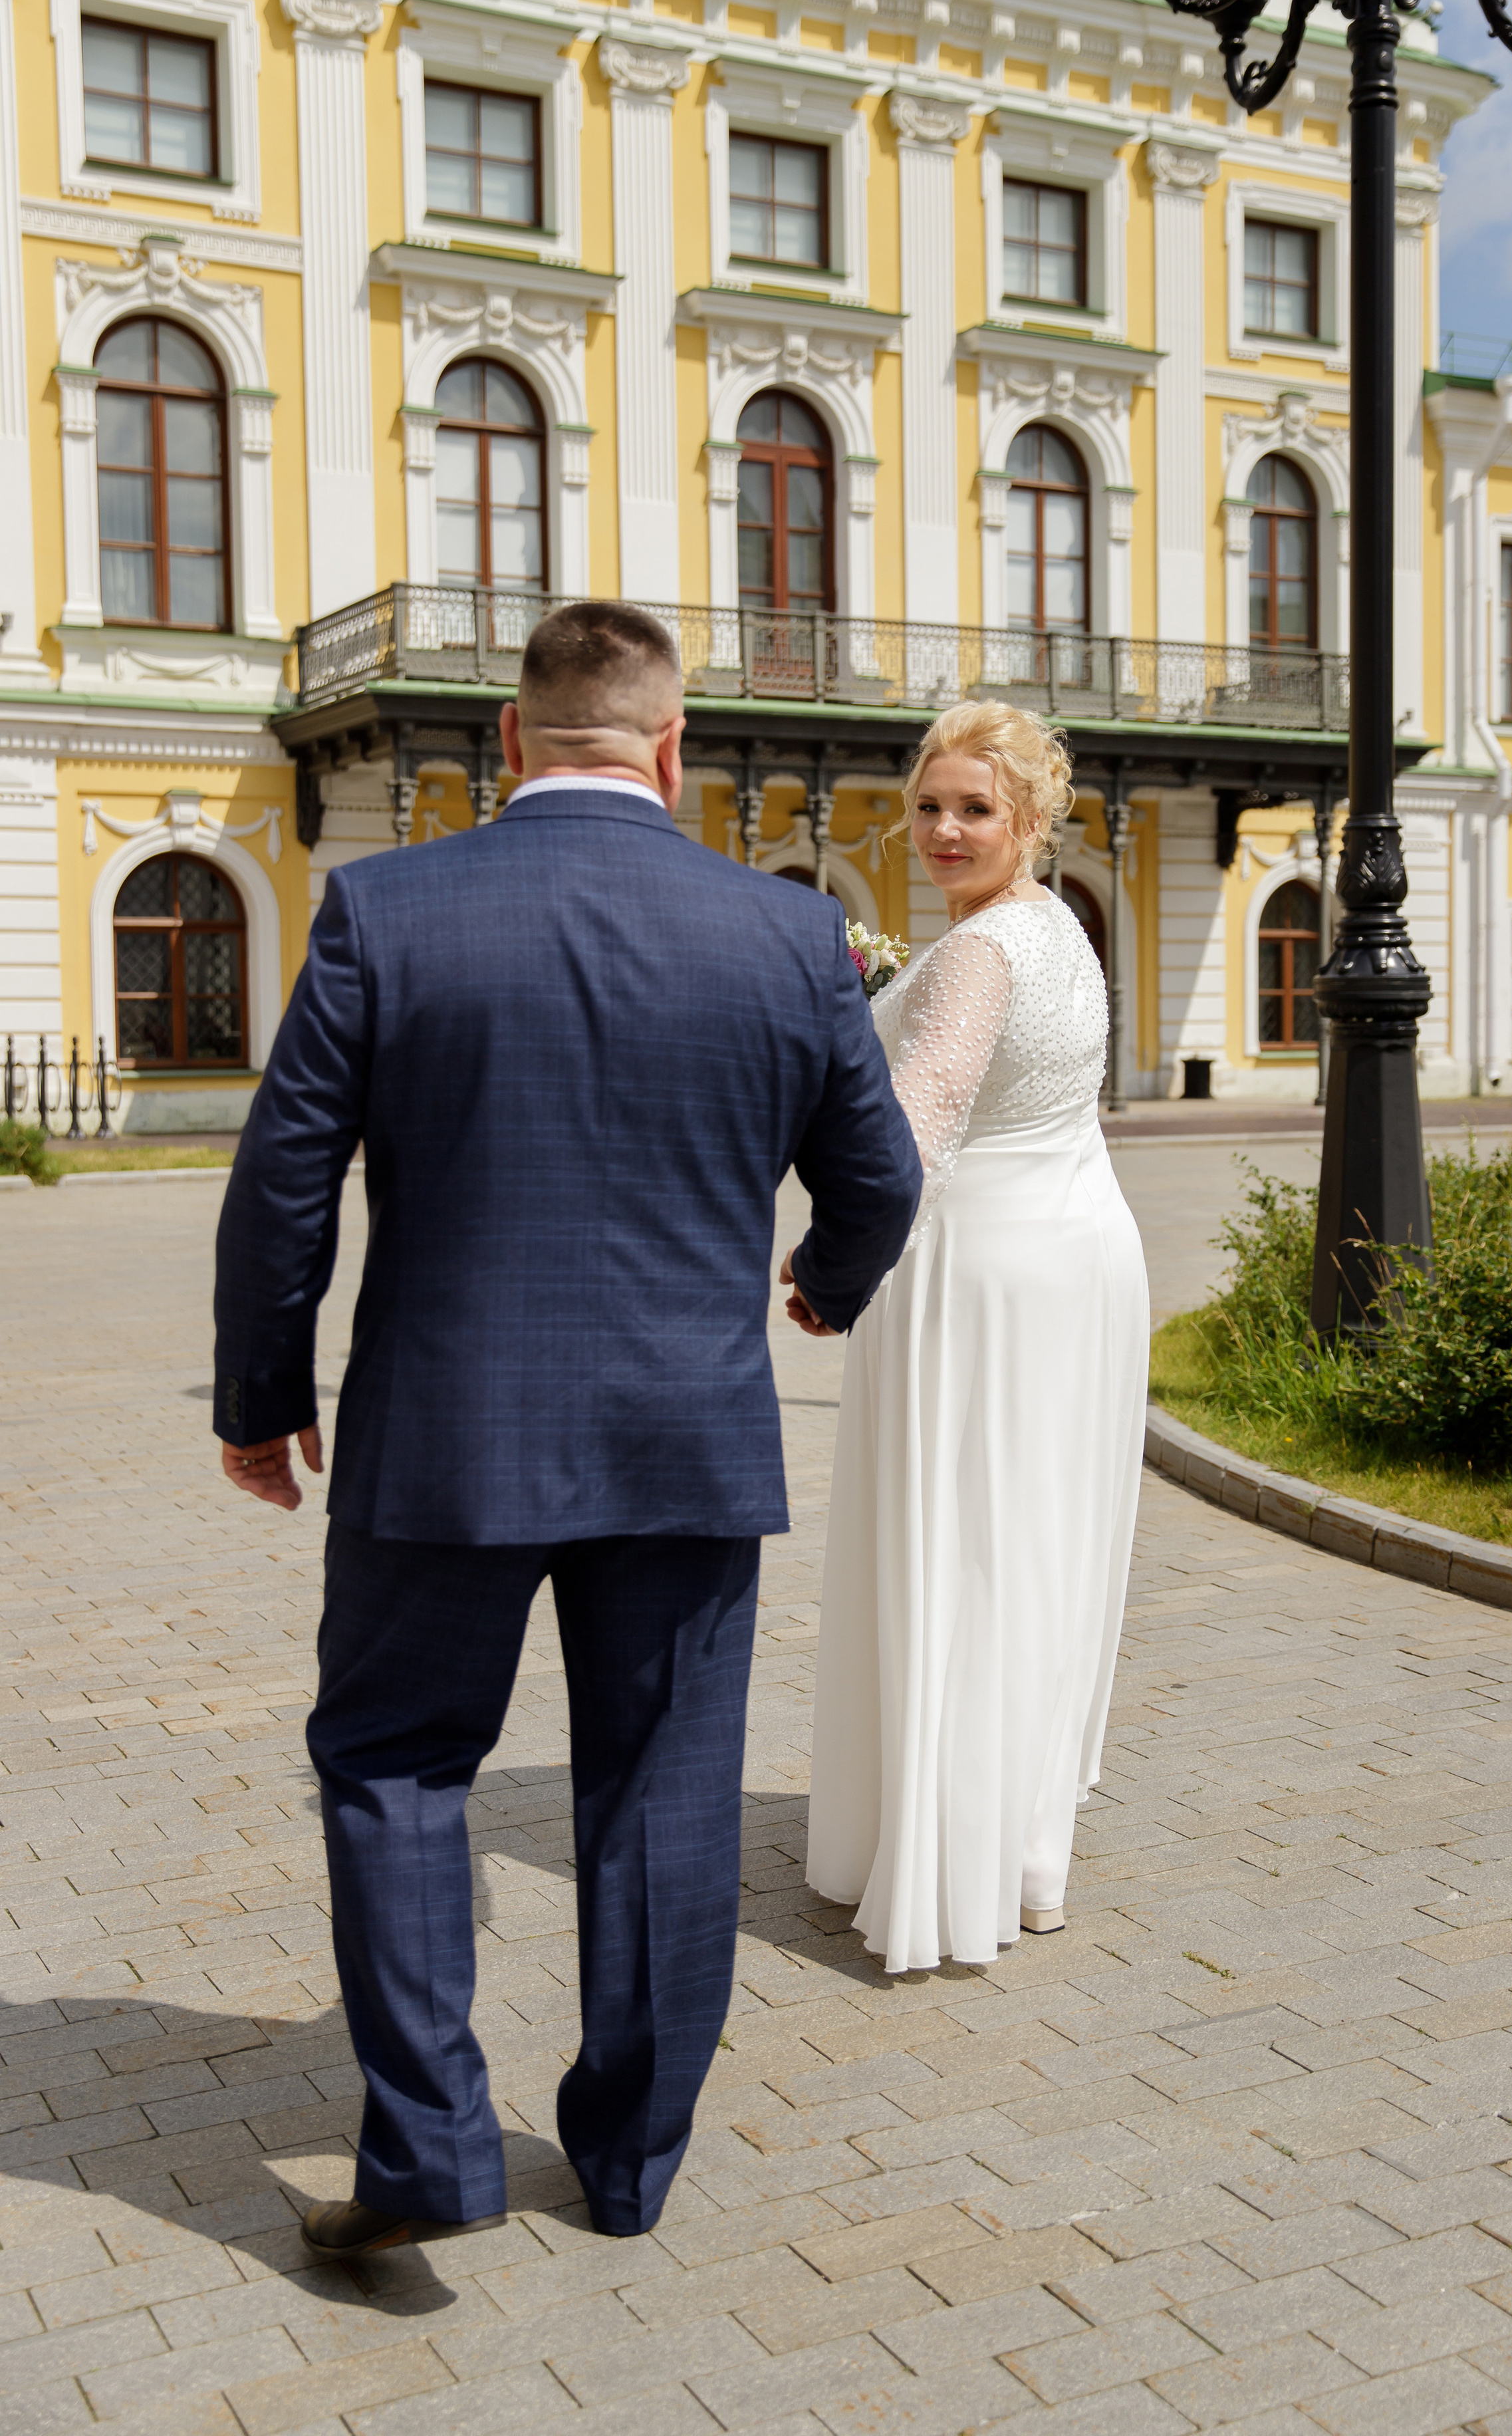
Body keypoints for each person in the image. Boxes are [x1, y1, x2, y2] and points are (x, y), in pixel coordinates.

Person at [213, 602, 920, 2253]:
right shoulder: (784, 934)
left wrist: (264, 1400)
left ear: (513, 741)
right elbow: (880, 1176)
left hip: (441, 1441)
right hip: (687, 1440)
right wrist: (818, 1286)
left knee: (392, 1765)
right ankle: (626, 2168)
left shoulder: (385, 908)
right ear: (673, 750)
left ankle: (433, 2155)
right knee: (666, 1794)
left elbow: (280, 1192)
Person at [803, 702, 1148, 1974]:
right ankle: (1020, 1852)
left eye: (975, 809)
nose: (944, 830)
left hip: (979, 1278)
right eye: (931, 805)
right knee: (1032, 1548)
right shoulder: (1059, 930)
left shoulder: (977, 956)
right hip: (1080, 1261)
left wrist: (818, 1258)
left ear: (1032, 819)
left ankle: (955, 1862)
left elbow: (904, 1144)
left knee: (966, 1550)